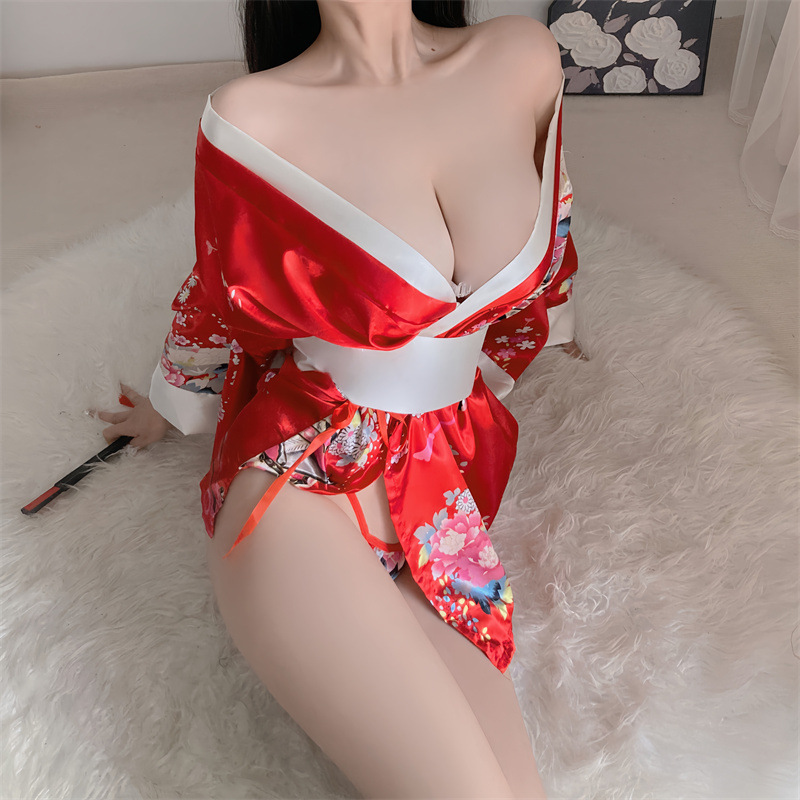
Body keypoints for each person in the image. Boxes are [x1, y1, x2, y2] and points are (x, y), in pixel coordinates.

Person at [98, 1, 587, 796]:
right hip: (299, 487)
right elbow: (218, 291)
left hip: (441, 485)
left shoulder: (521, 57)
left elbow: (553, 222)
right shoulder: (253, 116)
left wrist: (551, 324)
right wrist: (170, 400)